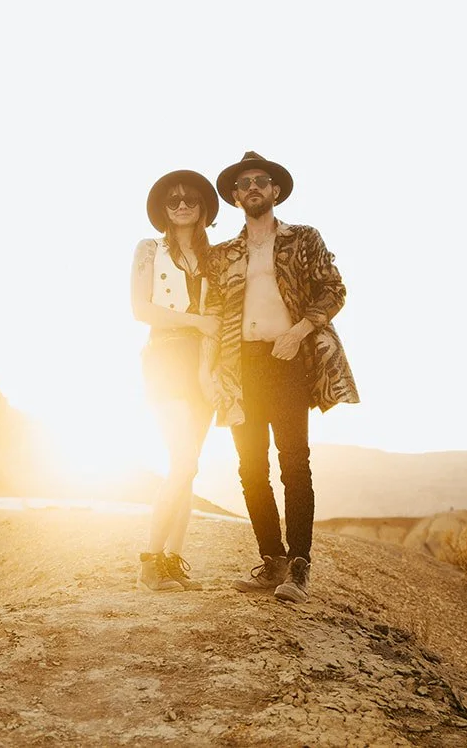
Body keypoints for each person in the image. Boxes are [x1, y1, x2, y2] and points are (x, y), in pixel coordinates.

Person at [200, 151, 358, 602]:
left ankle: (300, 567)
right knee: (251, 467)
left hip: (287, 359)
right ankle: (272, 562)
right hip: (240, 366)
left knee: (294, 462)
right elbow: (210, 308)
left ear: (274, 191)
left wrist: (299, 331)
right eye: (244, 182)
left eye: (261, 180)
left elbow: (335, 290)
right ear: (234, 197)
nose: (253, 187)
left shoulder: (303, 239)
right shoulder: (224, 253)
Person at [130, 169, 222, 592]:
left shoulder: (214, 258)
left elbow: (215, 324)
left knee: (188, 469)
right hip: (165, 357)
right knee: (184, 461)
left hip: (200, 362)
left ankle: (171, 561)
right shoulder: (149, 250)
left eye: (190, 199)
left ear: (203, 208)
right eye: (173, 199)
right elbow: (141, 309)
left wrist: (207, 372)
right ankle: (149, 563)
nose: (182, 204)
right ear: (163, 209)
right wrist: (196, 322)